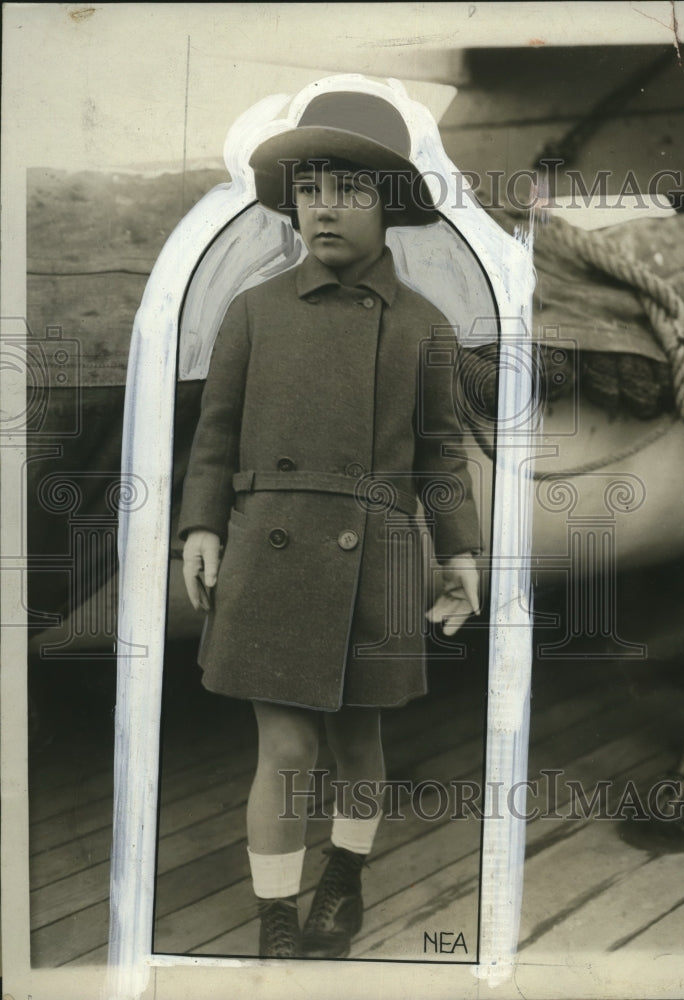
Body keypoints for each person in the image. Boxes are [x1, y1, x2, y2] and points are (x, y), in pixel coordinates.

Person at [179, 89, 481, 960]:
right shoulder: (253, 314)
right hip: (272, 553)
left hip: (378, 555)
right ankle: (278, 910)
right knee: (284, 745)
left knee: (358, 737)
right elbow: (216, 436)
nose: (324, 206)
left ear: (389, 206)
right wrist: (201, 528)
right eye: (309, 188)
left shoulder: (423, 327)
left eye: (348, 190)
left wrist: (460, 551)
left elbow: (440, 457)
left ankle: (344, 874)